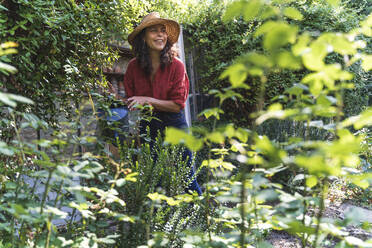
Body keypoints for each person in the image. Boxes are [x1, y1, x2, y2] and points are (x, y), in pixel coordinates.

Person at [119, 12, 202, 195]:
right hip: (149, 125)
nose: (160, 35)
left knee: (187, 178)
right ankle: (158, 223)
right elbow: (133, 102)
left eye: (163, 31)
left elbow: (177, 104)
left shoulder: (177, 66)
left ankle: (206, 220)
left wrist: (147, 100)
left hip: (174, 124)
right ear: (143, 37)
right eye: (154, 31)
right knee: (154, 181)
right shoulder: (133, 67)